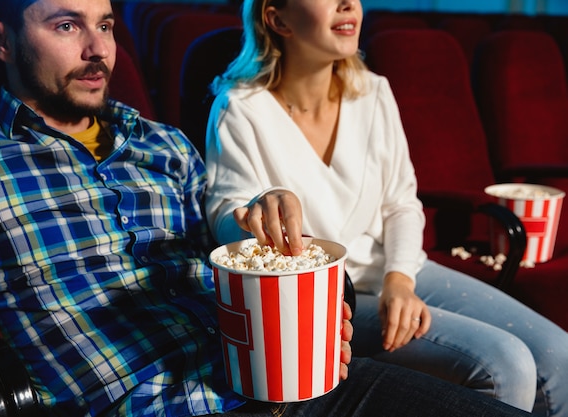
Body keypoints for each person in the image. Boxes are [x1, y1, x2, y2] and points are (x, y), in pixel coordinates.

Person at [0, 0, 536, 416]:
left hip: (285, 379)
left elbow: (222, 233)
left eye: (106, 24)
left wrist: (259, 214)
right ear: (0, 40)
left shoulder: (162, 142)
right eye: (67, 25)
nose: (98, 49)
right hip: (154, 402)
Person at [204, 0, 568, 416]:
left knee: (560, 356)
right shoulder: (239, 108)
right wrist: (253, 212)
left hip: (398, 268)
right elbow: (225, 215)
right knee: (505, 364)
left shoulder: (374, 92)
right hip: (325, 296)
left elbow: (402, 203)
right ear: (276, 18)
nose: (348, 4)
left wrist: (400, 279)